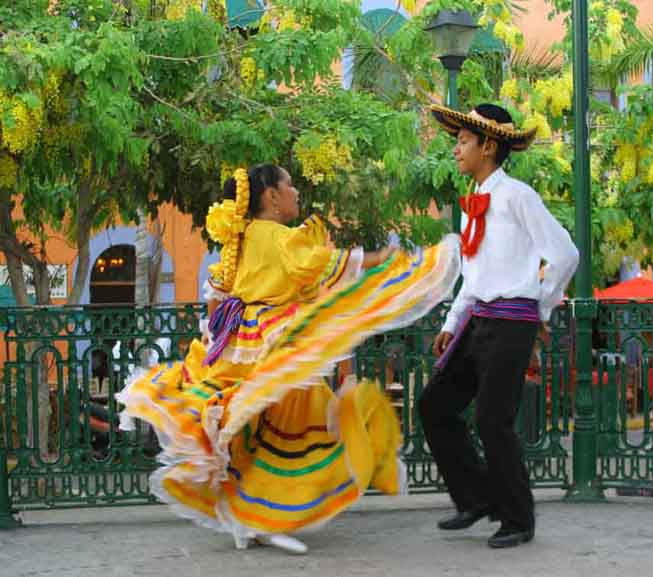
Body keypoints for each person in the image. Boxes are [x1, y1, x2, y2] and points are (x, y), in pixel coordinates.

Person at [117, 163, 461, 553]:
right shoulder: (279, 237)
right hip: (268, 335)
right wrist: (378, 257)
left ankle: (250, 515)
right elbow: (318, 264)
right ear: (272, 197)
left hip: (241, 336)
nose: (297, 193)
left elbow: (220, 288)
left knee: (254, 422)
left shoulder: (244, 237)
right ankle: (262, 515)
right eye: (290, 186)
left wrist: (215, 332)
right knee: (293, 420)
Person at [419, 103, 579, 549]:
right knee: (435, 406)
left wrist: (540, 309)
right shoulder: (475, 204)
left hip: (512, 323)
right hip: (479, 320)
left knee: (493, 421)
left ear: (488, 146)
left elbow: (566, 254)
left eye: (463, 142)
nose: (455, 150)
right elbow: (474, 275)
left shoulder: (519, 196)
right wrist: (452, 321)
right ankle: (475, 499)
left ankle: (517, 518)